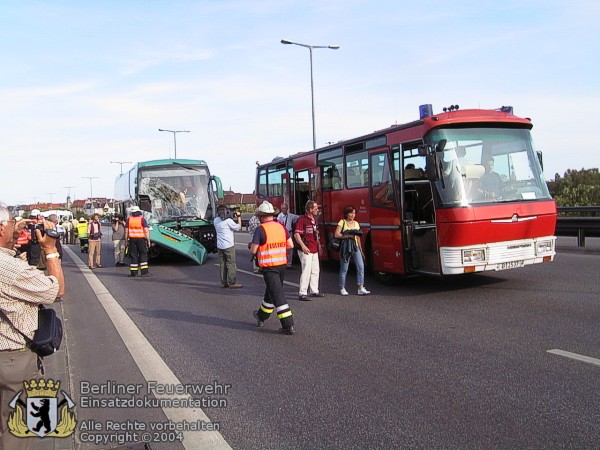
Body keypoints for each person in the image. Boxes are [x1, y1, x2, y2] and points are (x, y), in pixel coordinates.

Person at [0, 202, 64, 450]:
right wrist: (50, 250)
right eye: (11, 225)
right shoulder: (8, 268)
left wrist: (12, 233)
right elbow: (56, 290)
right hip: (13, 361)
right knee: (17, 429)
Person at [250, 201, 295, 335]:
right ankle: (261, 315)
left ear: (261, 216)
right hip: (281, 265)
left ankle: (288, 324)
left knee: (278, 295)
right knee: (271, 293)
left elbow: (253, 250)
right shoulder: (281, 227)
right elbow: (290, 245)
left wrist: (253, 248)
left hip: (269, 268)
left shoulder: (261, 229)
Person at [334, 205, 370, 296]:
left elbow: (358, 238)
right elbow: (336, 234)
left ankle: (360, 287)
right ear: (346, 214)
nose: (352, 215)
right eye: (350, 213)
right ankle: (342, 287)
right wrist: (347, 236)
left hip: (355, 247)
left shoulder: (357, 223)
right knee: (344, 268)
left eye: (354, 213)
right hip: (346, 247)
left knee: (361, 266)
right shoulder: (342, 222)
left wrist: (361, 251)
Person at [294, 200, 325, 301]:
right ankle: (302, 292)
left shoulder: (314, 220)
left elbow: (316, 235)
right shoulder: (302, 219)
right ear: (310, 209)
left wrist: (319, 245)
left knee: (315, 270)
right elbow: (296, 234)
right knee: (306, 270)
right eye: (315, 208)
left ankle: (314, 290)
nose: (317, 209)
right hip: (306, 249)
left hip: (314, 248)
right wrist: (302, 246)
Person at [214, 205, 242, 288]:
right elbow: (238, 227)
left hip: (220, 246)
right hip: (229, 245)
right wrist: (239, 217)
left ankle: (223, 282)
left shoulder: (216, 220)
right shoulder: (229, 221)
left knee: (222, 264)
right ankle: (232, 282)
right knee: (231, 264)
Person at [125, 206, 151, 277]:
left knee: (133, 255)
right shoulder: (142, 219)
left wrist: (126, 241)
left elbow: (126, 231)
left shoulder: (129, 220)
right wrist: (148, 240)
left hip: (132, 239)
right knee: (143, 254)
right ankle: (144, 272)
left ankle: (134, 273)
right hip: (141, 239)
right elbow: (146, 230)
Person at [276, 203, 299, 269]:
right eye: (283, 208)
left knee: (290, 248)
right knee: (282, 249)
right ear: (281, 209)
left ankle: (289, 264)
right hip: (282, 234)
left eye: (285, 208)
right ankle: (282, 262)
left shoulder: (290, 216)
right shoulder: (279, 217)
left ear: (287, 209)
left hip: (289, 233)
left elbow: (298, 217)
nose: (284, 210)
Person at [247, 208, 261, 273]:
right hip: (256, 238)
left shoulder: (257, 218)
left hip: (257, 237)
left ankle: (259, 267)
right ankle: (256, 268)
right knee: (255, 253)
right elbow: (257, 230)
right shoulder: (254, 220)